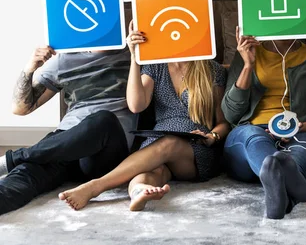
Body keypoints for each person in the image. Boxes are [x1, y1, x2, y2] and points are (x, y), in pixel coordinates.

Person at [58, 22, 230, 211]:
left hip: (195, 148)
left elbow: (222, 122)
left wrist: (212, 137)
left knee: (169, 143)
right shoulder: (156, 66)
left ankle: (95, 186)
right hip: (157, 141)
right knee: (153, 171)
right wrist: (135, 58)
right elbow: (136, 105)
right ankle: (140, 192)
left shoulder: (212, 69)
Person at [0, 45, 135, 215]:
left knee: (104, 120)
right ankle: (18, 161)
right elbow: (20, 108)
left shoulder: (135, 55)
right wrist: (30, 68)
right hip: (65, 141)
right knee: (23, 176)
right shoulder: (65, 60)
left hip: (103, 151)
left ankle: (13, 159)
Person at [222, 27, 306, 219]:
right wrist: (247, 66)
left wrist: (302, 126)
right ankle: (282, 179)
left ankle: (281, 194)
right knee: (253, 137)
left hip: (300, 133)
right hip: (252, 132)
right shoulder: (247, 53)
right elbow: (230, 114)